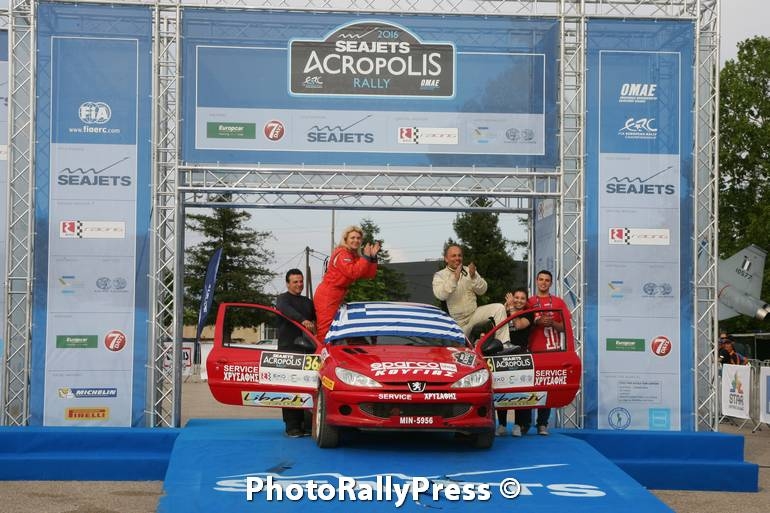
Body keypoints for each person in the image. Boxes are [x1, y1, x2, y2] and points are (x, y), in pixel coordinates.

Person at [432, 245, 510, 346]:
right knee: (462, 347)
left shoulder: (469, 270)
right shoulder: (439, 275)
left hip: (474, 315)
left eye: (459, 255)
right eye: (453, 256)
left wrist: (474, 276)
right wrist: (454, 278)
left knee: (499, 308)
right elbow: (440, 295)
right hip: (457, 323)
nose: (457, 258)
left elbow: (483, 290)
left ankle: (504, 344)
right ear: (446, 259)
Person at [313, 226, 380, 343]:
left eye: (358, 238)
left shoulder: (352, 255)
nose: (356, 240)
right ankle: (321, 353)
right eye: (352, 238)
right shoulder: (342, 253)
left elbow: (368, 274)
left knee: (338, 329)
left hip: (338, 294)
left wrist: (372, 257)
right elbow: (353, 272)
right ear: (345, 239)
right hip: (328, 294)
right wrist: (365, 257)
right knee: (326, 329)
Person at [526, 269, 569, 436]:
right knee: (530, 386)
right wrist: (536, 322)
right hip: (534, 351)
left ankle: (542, 424)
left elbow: (565, 327)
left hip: (552, 352)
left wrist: (553, 324)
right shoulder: (529, 302)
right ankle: (525, 423)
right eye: (541, 279)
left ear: (551, 283)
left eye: (547, 280)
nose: (543, 283)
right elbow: (521, 325)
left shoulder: (558, 302)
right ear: (536, 281)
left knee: (547, 387)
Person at [275, 269, 317, 438]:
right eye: (295, 282)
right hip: (288, 352)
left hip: (307, 352)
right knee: (289, 389)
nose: (299, 284)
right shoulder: (282, 299)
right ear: (287, 284)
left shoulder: (308, 302)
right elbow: (287, 311)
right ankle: (291, 426)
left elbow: (318, 318)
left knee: (306, 388)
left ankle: (305, 424)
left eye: (301, 281)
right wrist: (303, 320)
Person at [496, 287, 534, 437]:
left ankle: (518, 425)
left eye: (522, 298)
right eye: (516, 297)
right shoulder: (504, 312)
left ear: (526, 301)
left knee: (519, 391)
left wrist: (511, 308)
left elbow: (518, 325)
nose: (518, 300)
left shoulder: (529, 313)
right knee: (502, 390)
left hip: (521, 355)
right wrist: (505, 308)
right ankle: (502, 425)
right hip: (503, 354)